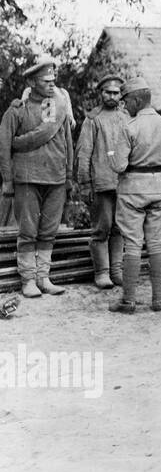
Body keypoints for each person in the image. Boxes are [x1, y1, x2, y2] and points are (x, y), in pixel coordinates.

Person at [0, 56, 75, 298]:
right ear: (32, 81)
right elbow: (3, 147)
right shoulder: (17, 110)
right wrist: (8, 180)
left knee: (48, 231)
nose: (52, 85)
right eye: (46, 81)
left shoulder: (56, 107)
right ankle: (28, 280)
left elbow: (67, 142)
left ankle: (43, 277)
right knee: (28, 231)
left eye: (54, 80)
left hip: (56, 178)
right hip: (28, 178)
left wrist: (69, 174)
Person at [108, 77, 161, 312]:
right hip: (160, 189)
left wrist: (111, 153)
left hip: (132, 191)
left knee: (132, 245)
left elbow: (119, 166)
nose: (124, 105)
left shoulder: (129, 128)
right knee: (156, 245)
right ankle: (158, 300)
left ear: (138, 100)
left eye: (127, 100)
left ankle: (128, 301)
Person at [75, 74, 130, 288]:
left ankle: (116, 271)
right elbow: (84, 152)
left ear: (120, 95)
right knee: (102, 226)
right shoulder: (93, 119)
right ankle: (102, 272)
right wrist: (85, 182)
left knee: (119, 227)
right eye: (108, 92)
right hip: (101, 183)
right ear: (101, 93)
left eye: (116, 93)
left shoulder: (126, 117)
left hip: (123, 183)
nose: (112, 96)